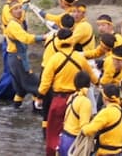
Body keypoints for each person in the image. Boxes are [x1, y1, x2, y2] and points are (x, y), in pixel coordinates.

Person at [36, 27, 97, 156]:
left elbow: (45, 82)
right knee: (74, 129)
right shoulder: (79, 58)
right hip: (76, 100)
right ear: (72, 40)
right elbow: (92, 76)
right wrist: (100, 84)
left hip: (59, 100)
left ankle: (54, 152)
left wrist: (40, 96)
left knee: (53, 132)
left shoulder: (54, 59)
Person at [0, 0, 38, 106]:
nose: (19, 10)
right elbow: (25, 38)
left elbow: (23, 11)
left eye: (20, 8)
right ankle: (38, 110)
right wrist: (43, 37)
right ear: (11, 12)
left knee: (19, 89)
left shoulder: (19, 20)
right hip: (17, 59)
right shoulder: (13, 25)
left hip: (15, 58)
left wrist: (26, 2)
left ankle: (16, 109)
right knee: (36, 85)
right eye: (16, 9)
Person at [78, 83, 122, 156]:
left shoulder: (105, 112)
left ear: (104, 98)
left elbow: (88, 131)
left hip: (105, 153)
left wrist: (83, 128)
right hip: (119, 152)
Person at [56, 71, 95, 156]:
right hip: (74, 141)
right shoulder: (85, 102)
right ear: (88, 85)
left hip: (64, 138)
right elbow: (84, 128)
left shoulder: (72, 97)